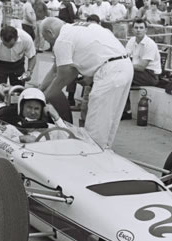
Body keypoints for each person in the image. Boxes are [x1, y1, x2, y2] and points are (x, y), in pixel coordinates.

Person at [40, 17, 133, 148]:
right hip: (124, 66)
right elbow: (56, 70)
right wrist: (39, 89)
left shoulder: (62, 39)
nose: (47, 42)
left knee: (95, 129)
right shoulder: (76, 29)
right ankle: (104, 151)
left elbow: (63, 77)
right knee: (108, 123)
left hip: (110, 72)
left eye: (45, 38)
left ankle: (93, 157)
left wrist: (41, 98)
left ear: (50, 32)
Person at [123, 18, 161, 119]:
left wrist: (124, 66)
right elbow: (125, 57)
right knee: (119, 77)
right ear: (132, 30)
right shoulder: (131, 41)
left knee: (123, 76)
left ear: (146, 30)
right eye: (136, 27)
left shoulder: (150, 44)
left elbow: (141, 67)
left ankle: (126, 111)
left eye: (141, 28)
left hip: (150, 75)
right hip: (137, 72)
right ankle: (125, 110)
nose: (138, 30)